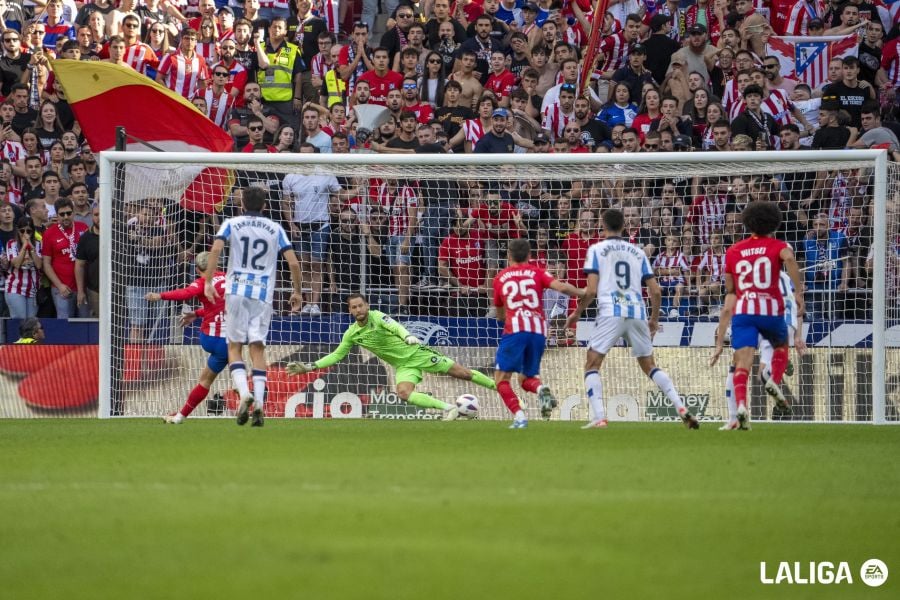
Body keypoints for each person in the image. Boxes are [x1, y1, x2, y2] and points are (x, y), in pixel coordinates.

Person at [566, 208, 700, 430]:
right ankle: (680, 406)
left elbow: (591, 291)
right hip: (638, 312)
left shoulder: (597, 249)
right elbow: (655, 291)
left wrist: (577, 312)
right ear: (624, 226)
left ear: (602, 225)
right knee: (649, 366)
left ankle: (599, 417)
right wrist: (654, 319)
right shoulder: (638, 252)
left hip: (611, 311)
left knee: (592, 363)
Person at [285, 293, 498, 420]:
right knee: (404, 393)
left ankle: (502, 389)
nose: (359, 309)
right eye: (354, 307)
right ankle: (449, 408)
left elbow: (395, 326)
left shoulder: (377, 317)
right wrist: (309, 366)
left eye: (361, 305)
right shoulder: (352, 333)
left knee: (463, 373)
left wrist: (408, 337)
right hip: (403, 365)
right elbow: (337, 355)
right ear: (350, 311)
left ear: (367, 306)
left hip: (417, 353)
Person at [204, 186, 303, 427]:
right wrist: (298, 291)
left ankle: (243, 392)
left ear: (241, 205)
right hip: (262, 294)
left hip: (236, 291)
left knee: (234, 346)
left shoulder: (231, 223)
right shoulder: (275, 228)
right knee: (257, 348)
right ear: (265, 206)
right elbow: (293, 263)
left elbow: (216, 249)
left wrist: (208, 280)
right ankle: (259, 401)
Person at [710, 201, 805, 430]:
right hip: (771, 311)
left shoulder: (734, 251)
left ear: (747, 223)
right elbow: (789, 258)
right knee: (781, 346)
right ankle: (772, 378)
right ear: (774, 222)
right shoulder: (777, 246)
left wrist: (719, 340)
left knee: (741, 363)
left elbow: (730, 294)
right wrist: (799, 291)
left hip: (743, 313)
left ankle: (740, 409)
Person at [493, 238, 582, 428]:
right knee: (526, 379)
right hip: (539, 331)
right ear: (530, 256)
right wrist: (585, 292)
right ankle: (541, 389)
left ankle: (519, 416)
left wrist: (508, 316)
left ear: (509, 255)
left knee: (501, 379)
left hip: (515, 329)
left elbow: (500, 314)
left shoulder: (500, 278)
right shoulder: (537, 272)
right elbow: (563, 287)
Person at [146, 252, 228, 424]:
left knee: (204, 381)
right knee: (240, 372)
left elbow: (185, 293)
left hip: (211, 338)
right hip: (229, 341)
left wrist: (160, 296)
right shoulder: (229, 279)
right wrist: (197, 313)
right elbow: (221, 308)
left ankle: (180, 416)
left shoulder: (201, 283)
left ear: (197, 269)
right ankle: (249, 397)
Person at [42, 198, 89, 318]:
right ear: (56, 215)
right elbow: (46, 264)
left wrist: (82, 289)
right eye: (62, 214)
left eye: (69, 213)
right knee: (65, 325)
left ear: (73, 212)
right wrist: (59, 285)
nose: (66, 217)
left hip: (82, 287)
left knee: (84, 323)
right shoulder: (49, 233)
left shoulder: (83, 227)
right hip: (61, 288)